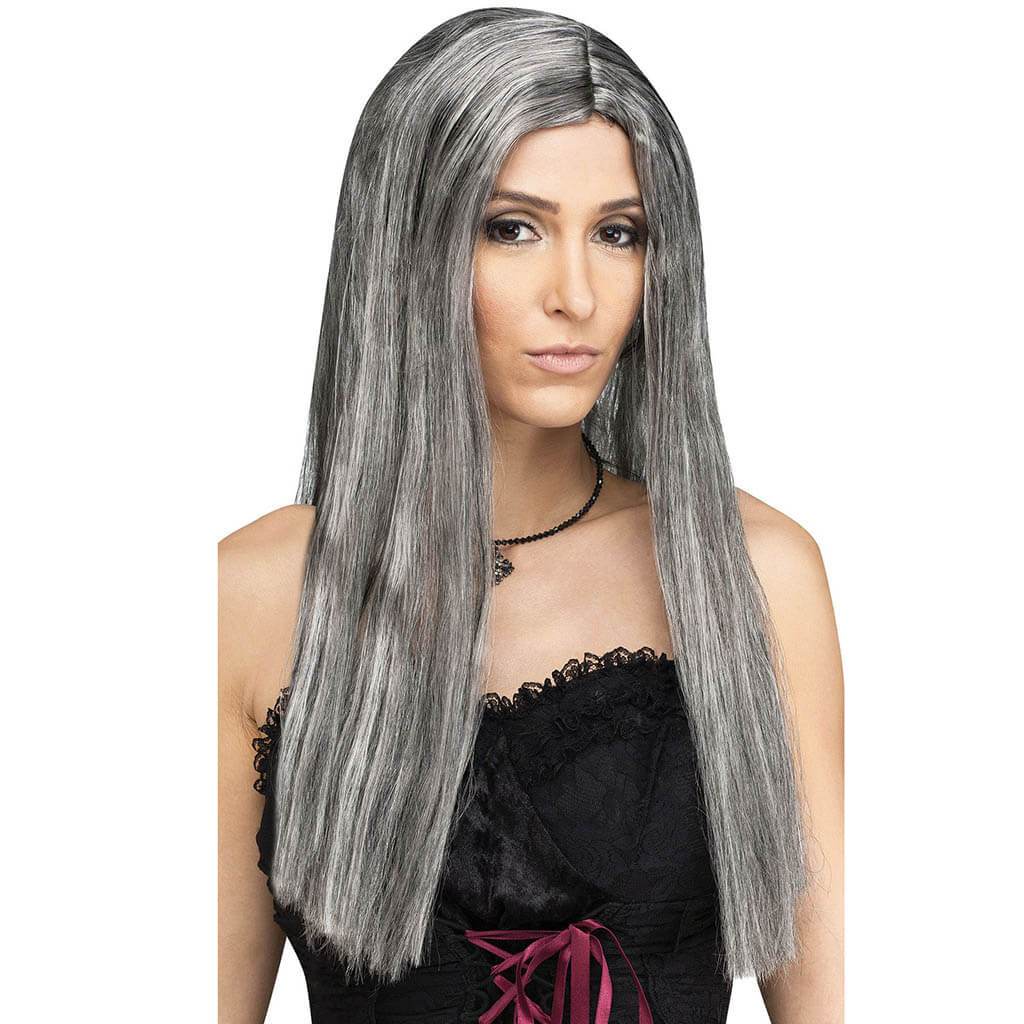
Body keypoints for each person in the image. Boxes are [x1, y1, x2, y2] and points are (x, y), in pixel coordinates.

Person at [219, 9, 843, 1023]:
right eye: (511, 227)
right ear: (404, 246)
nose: (577, 295)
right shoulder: (254, 595)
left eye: (618, 233)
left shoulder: (754, 572)